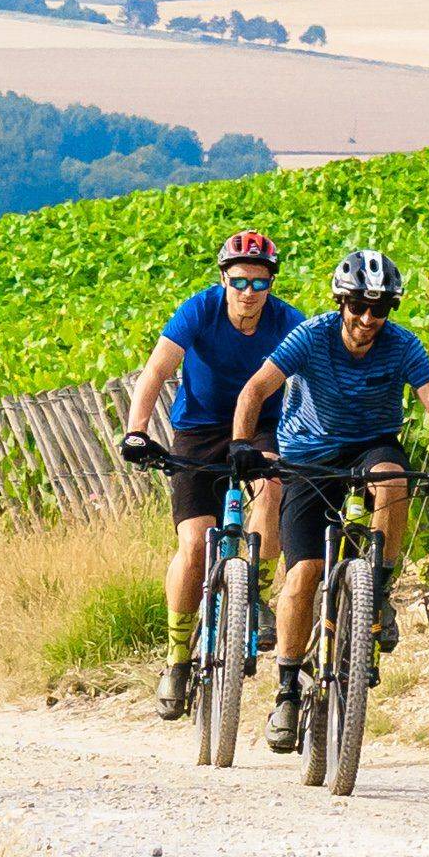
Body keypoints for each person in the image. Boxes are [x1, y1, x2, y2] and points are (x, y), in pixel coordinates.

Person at [226, 247, 429, 750]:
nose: (368, 319)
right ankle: (285, 690)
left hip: (371, 443)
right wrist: (241, 445)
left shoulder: (402, 344)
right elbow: (255, 391)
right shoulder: (310, 336)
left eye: (380, 309)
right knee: (302, 574)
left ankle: (379, 593)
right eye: (359, 307)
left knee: (393, 476)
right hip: (309, 453)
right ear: (340, 302)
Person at [121, 227, 300, 719]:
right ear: (224, 278)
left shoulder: (288, 322)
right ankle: (178, 658)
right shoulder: (199, 310)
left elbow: (313, 380)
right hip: (199, 431)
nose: (249, 293)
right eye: (240, 281)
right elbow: (156, 373)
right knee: (196, 544)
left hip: (261, 428)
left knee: (275, 487)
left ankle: (256, 596)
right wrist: (137, 431)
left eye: (260, 284)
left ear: (271, 285)